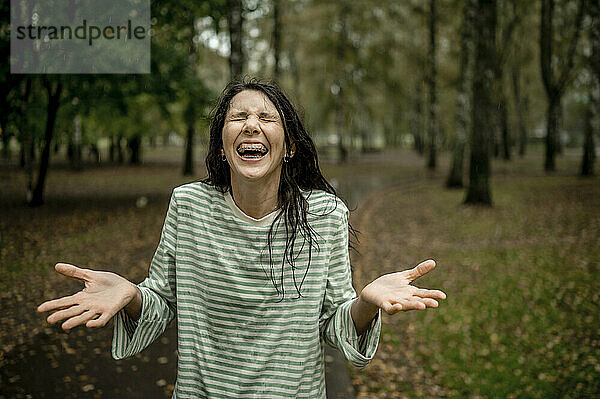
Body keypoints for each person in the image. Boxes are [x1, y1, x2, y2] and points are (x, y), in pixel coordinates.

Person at [38, 79, 446, 398]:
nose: (252, 125)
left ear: (288, 147)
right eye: (239, 117)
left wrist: (365, 304)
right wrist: (131, 295)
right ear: (221, 145)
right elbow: (161, 302)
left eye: (267, 118)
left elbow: (334, 323)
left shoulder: (324, 215)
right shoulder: (189, 206)